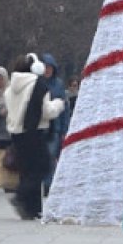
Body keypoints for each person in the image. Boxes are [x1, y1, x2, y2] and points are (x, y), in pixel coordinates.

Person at [3, 54, 65, 219]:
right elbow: (47, 111)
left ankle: (31, 209)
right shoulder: (38, 86)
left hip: (16, 133)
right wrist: (59, 104)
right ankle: (20, 196)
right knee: (42, 167)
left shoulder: (10, 88)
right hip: (34, 132)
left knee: (27, 169)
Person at [41, 53, 70, 195]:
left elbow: (65, 109)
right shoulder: (37, 83)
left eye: (49, 67)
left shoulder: (58, 85)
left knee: (51, 157)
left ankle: (48, 183)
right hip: (40, 127)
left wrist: (64, 129)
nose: (47, 70)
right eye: (45, 67)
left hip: (55, 128)